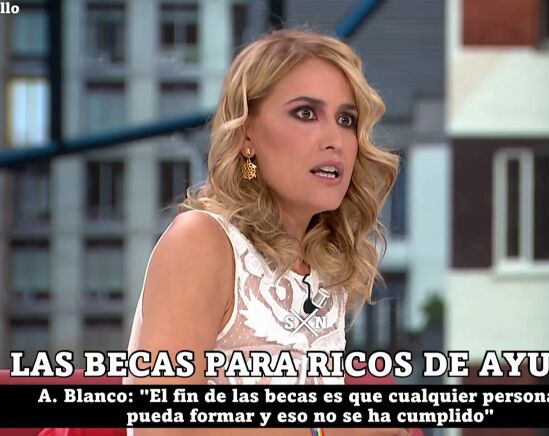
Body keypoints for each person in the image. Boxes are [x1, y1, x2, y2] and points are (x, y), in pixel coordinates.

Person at [125, 28, 405, 436]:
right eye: (305, 113)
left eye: (346, 120)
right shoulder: (201, 241)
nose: (335, 140)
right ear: (247, 136)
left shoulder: (327, 267)